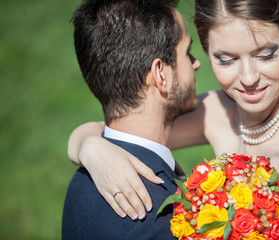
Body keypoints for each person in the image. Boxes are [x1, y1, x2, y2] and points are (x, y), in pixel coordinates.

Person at [67, 0, 279, 239]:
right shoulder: (218, 113)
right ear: (206, 52)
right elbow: (130, 129)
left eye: (266, 55)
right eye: (227, 59)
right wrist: (91, 149)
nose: (248, 79)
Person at [62, 0, 201, 238]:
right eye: (187, 52)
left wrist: (87, 142)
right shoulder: (161, 219)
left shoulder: (82, 180)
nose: (196, 63)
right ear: (160, 75)